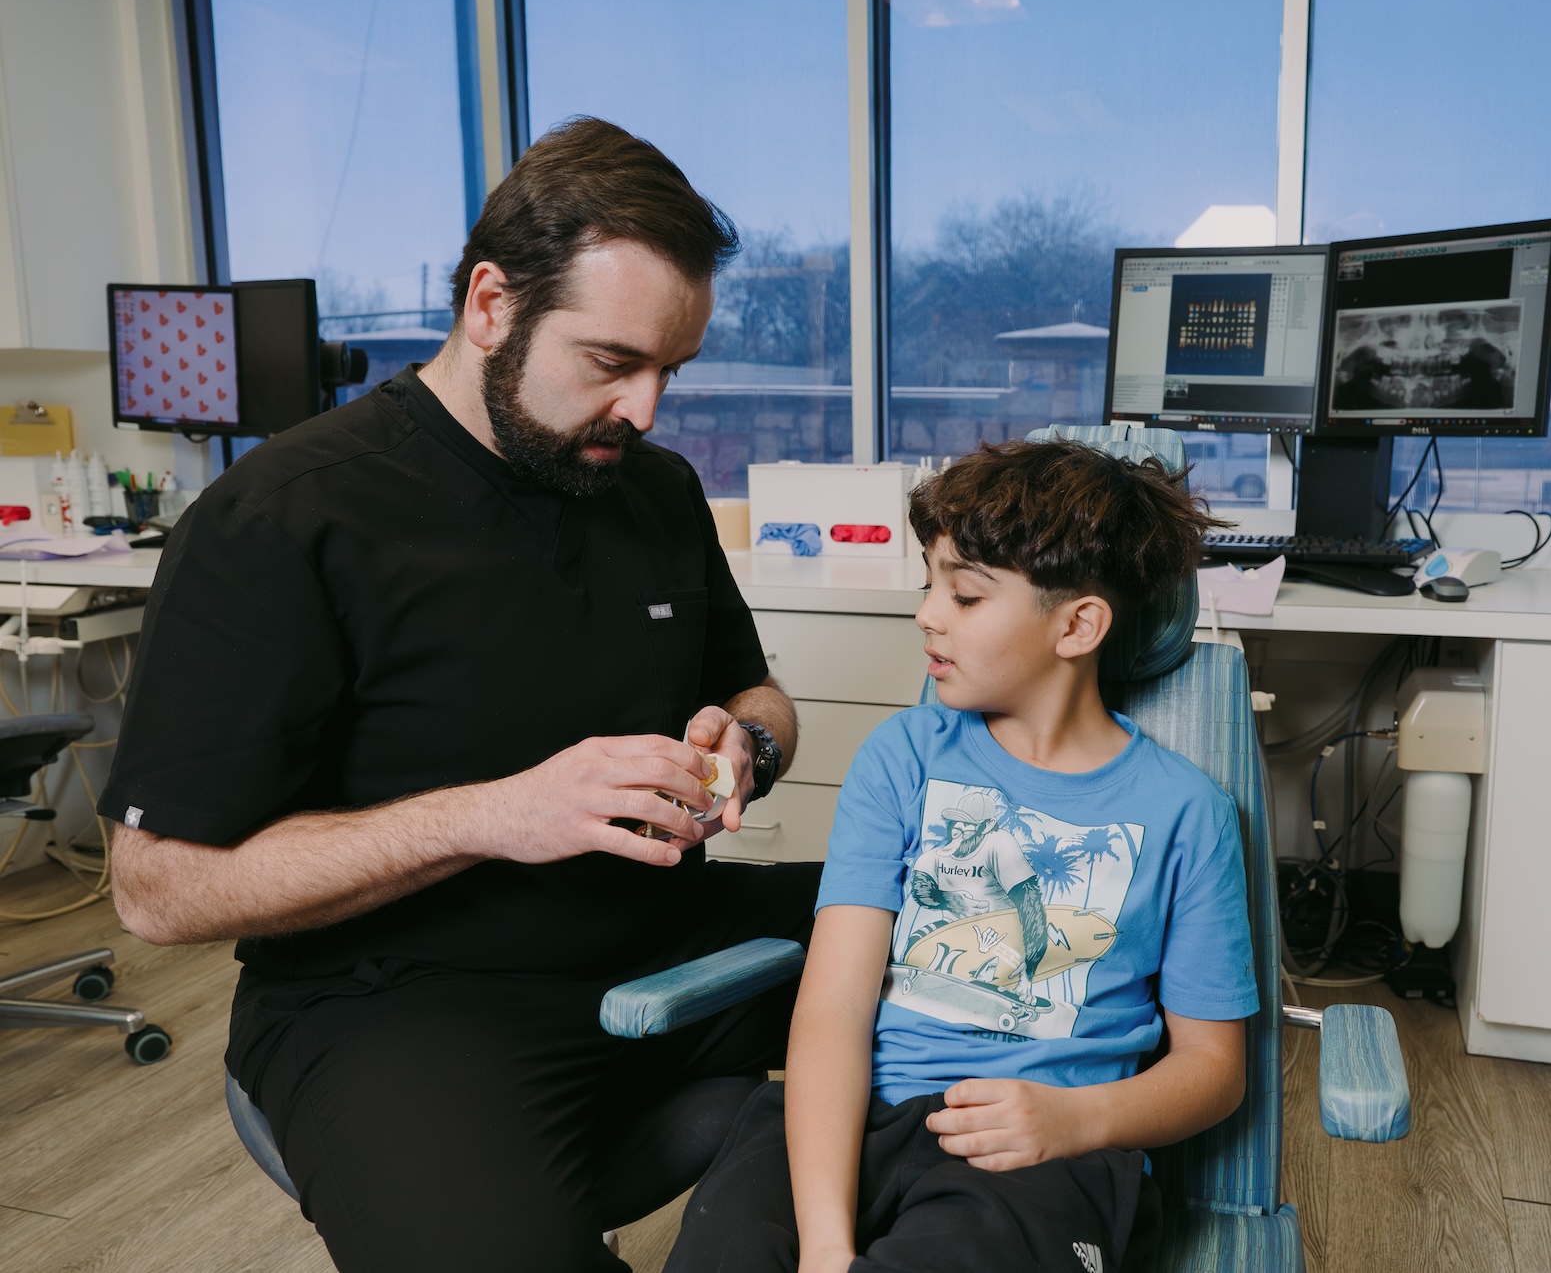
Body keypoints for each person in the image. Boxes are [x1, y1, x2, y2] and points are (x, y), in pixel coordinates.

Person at [100, 118, 816, 1272]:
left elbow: (759, 694)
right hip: (405, 1001)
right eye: (612, 363)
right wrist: (497, 815)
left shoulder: (654, 491)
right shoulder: (281, 521)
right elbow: (157, 891)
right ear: (492, 304)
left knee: (1007, 947)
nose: (646, 410)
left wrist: (748, 746)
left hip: (670, 938)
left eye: (669, 371)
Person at [666, 441, 1259, 1273]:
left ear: (1079, 625)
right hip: (853, 1120)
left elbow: (1214, 1069)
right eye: (929, 584)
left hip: (1039, 1157)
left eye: (966, 595)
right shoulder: (901, 757)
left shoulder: (1187, 814)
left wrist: (1074, 1120)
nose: (927, 615)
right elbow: (833, 1008)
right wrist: (826, 1246)